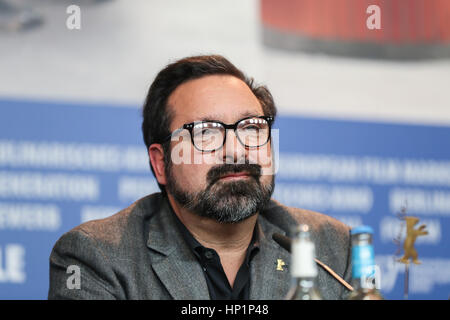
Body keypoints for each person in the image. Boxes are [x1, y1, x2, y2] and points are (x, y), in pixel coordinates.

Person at [48, 54, 352, 300]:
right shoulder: (97, 257)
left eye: (251, 128)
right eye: (205, 133)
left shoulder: (331, 248)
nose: (236, 151)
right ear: (160, 163)